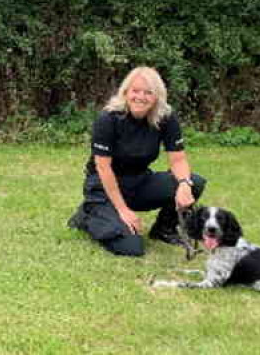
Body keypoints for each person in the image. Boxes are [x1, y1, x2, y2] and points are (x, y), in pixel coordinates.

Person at [67, 67, 206, 257]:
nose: (141, 97)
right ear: (125, 92)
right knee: (131, 247)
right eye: (135, 91)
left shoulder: (165, 117)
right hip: (104, 186)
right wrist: (123, 210)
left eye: (148, 92)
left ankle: (164, 229)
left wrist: (184, 184)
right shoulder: (108, 118)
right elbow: (103, 167)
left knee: (194, 182)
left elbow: (178, 158)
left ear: (157, 96)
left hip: (139, 181)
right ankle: (87, 215)